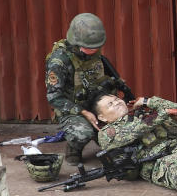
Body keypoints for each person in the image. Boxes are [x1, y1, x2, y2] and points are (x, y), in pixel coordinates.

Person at [45, 13, 133, 164]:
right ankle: (74, 147)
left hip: (97, 103)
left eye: (97, 46)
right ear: (76, 42)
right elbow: (54, 98)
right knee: (82, 134)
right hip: (73, 108)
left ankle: (103, 139)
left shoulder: (94, 52)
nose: (95, 50)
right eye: (89, 47)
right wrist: (84, 112)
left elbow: (104, 77)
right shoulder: (59, 61)